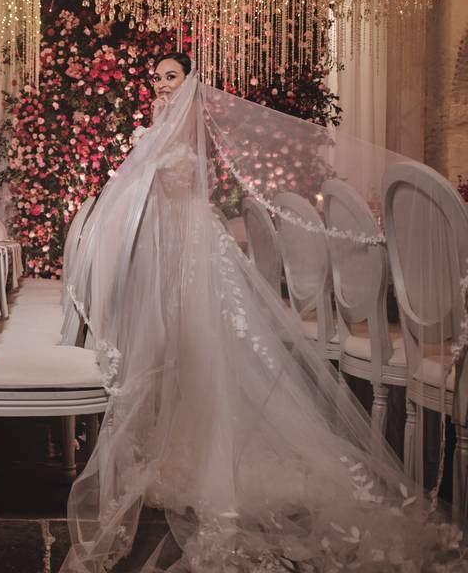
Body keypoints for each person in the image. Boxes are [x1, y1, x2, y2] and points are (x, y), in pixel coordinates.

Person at [59, 53, 467, 571]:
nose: (162, 85)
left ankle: (219, 456)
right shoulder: (160, 127)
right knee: (186, 354)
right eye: (157, 77)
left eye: (171, 77)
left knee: (211, 350)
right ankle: (180, 442)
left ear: (189, 83)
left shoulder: (182, 131)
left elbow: (175, 183)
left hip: (192, 251)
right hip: (173, 253)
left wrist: (149, 153)